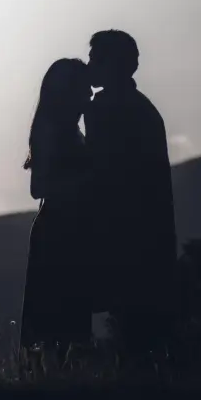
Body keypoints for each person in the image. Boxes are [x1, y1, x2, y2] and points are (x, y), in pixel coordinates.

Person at [84, 30, 177, 358]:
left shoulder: (114, 109)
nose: (89, 64)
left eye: (95, 57)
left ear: (114, 64)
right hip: (140, 233)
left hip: (128, 231)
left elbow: (104, 171)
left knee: (134, 329)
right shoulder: (139, 109)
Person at [20, 58, 93, 355]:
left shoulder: (73, 130)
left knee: (70, 318)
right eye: (84, 87)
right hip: (56, 232)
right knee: (55, 321)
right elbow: (38, 188)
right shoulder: (51, 130)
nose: (90, 93)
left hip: (70, 231)